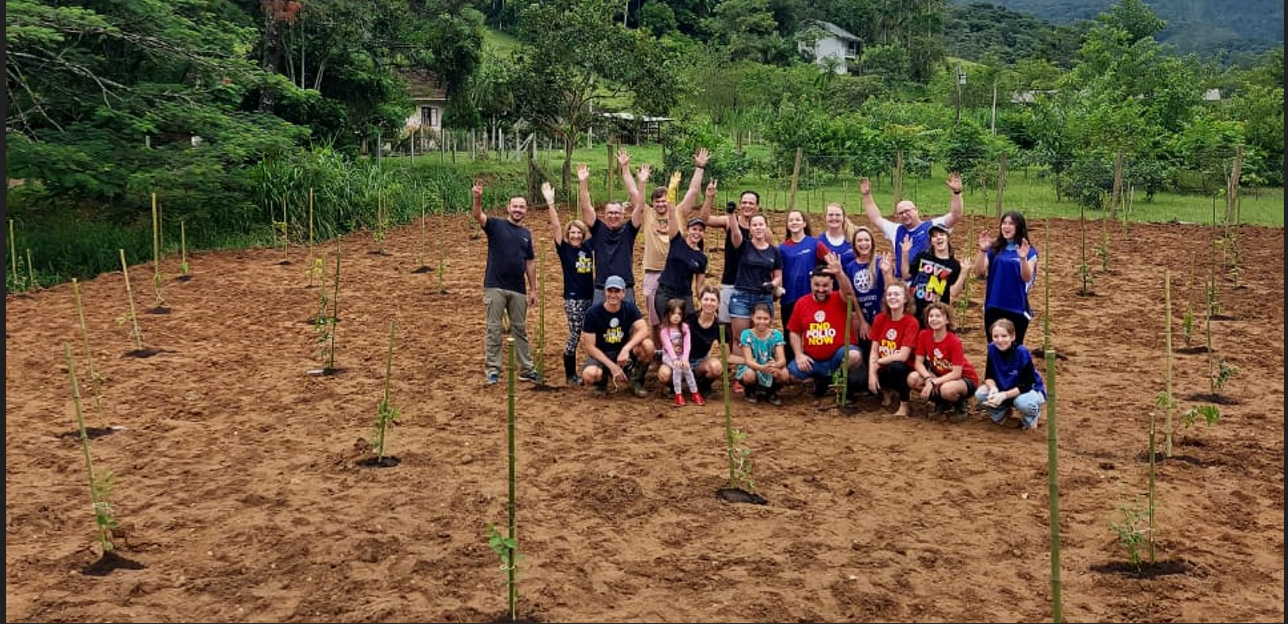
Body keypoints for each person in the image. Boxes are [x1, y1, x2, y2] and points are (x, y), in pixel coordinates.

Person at [471, 179, 540, 385]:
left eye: (522, 207)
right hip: (495, 286)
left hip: (518, 289)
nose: (518, 210)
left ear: (526, 210)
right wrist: (477, 198)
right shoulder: (495, 225)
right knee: (494, 328)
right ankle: (493, 370)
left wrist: (533, 289)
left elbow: (530, 263)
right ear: (508, 208)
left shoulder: (526, 234)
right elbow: (477, 215)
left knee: (520, 328)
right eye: (515, 206)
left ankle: (526, 369)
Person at [637, 148, 708, 335]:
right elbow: (635, 195)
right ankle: (660, 355)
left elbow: (693, 191)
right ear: (653, 203)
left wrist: (700, 167)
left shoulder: (677, 214)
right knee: (657, 321)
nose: (662, 204)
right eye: (657, 201)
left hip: (680, 275)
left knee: (685, 322)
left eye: (665, 200)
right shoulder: (648, 214)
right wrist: (637, 178)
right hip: (655, 273)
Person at [786, 255, 865, 400]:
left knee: (853, 356)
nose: (821, 289)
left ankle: (839, 379)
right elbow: (794, 332)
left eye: (825, 286)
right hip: (814, 360)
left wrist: (839, 273)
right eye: (817, 285)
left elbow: (849, 293)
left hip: (838, 357)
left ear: (832, 285)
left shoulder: (839, 298)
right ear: (811, 284)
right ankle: (821, 380)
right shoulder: (801, 303)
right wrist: (798, 354)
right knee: (790, 375)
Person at [859, 172, 964, 280]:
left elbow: (956, 215)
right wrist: (867, 196)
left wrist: (957, 192)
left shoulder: (932, 226)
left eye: (907, 211)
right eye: (900, 213)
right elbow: (875, 218)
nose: (904, 215)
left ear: (916, 210)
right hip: (904, 284)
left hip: (927, 283)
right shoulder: (896, 230)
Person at [540, 181, 594, 386]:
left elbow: (592, 223)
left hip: (590, 296)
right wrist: (551, 203)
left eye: (578, 232)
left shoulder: (588, 248)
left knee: (591, 331)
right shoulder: (564, 249)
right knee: (575, 333)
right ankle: (570, 374)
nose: (575, 235)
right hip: (573, 299)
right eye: (572, 232)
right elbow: (555, 226)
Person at [583, 150, 646, 306]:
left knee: (628, 326)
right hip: (601, 286)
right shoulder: (598, 229)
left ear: (623, 214)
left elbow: (640, 207)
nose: (613, 216)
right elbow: (586, 206)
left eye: (617, 213)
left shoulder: (629, 230)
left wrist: (641, 183)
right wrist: (583, 182)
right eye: (610, 213)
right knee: (599, 326)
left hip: (625, 286)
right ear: (604, 215)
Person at [580, 275, 655, 398]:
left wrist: (626, 349)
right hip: (602, 354)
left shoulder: (629, 307)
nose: (613, 295)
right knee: (590, 375)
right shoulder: (592, 313)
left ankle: (636, 379)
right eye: (610, 290)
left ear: (623, 293)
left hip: (622, 354)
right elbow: (590, 347)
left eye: (617, 291)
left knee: (648, 345)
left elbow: (644, 329)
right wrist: (612, 366)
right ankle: (602, 381)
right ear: (605, 292)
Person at [653, 178, 714, 323]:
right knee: (667, 327)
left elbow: (699, 284)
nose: (696, 233)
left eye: (700, 230)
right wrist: (671, 194)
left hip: (685, 295)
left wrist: (703, 301)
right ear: (687, 230)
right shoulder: (677, 241)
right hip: (665, 293)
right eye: (694, 229)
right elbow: (672, 215)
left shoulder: (701, 258)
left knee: (687, 327)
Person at [700, 189, 763, 326]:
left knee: (752, 324)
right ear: (739, 205)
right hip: (730, 280)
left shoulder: (763, 230)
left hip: (752, 284)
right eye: (744, 202)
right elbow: (704, 220)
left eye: (751, 203)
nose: (747, 206)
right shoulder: (729, 221)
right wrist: (709, 197)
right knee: (726, 324)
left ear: (757, 206)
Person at [974, 211, 1038, 346]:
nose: (1006, 227)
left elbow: (1026, 277)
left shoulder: (1029, 251)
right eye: (1004, 223)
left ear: (1019, 227)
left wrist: (1022, 258)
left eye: (1010, 224)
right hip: (994, 306)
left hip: (1017, 308)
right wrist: (982, 250)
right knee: (993, 348)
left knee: (1015, 350)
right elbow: (979, 272)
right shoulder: (994, 249)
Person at [907, 302, 980, 422]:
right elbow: (918, 363)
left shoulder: (953, 341)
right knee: (913, 378)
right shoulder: (924, 335)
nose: (934, 319)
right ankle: (941, 404)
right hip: (940, 375)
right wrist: (928, 378)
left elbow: (956, 373)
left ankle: (960, 405)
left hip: (964, 378)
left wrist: (934, 382)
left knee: (947, 390)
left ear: (947, 320)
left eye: (938, 316)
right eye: (931, 316)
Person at [657, 285, 731, 396]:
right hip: (678, 358)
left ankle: (703, 385)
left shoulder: (719, 326)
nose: (709, 303)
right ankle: (673, 386)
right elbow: (668, 330)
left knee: (716, 367)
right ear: (700, 301)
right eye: (706, 299)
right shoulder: (689, 318)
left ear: (718, 303)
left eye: (713, 300)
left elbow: (725, 350)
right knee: (664, 374)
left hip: (699, 362)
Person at [975, 318, 1047, 431]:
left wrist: (1004, 395)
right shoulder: (992, 349)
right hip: (1004, 387)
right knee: (981, 394)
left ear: (1012, 336)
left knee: (1023, 403)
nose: (1000, 340)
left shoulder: (1021, 352)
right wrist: (993, 388)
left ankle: (1031, 417)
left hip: (1026, 390)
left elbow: (1027, 384)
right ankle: (1002, 415)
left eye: (1004, 336)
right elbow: (989, 376)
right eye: (996, 336)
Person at [728, 213, 783, 354]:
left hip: (764, 297)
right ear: (750, 229)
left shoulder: (774, 251)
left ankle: (761, 365)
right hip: (742, 297)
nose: (758, 228)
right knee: (741, 338)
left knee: (763, 335)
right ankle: (743, 371)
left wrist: (772, 284)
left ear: (766, 227)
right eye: (754, 225)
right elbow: (735, 233)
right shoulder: (743, 246)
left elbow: (778, 276)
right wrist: (731, 215)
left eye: (761, 224)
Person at [840, 226, 895, 359]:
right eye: (859, 241)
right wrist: (861, 320)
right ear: (854, 244)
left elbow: (890, 291)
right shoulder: (850, 267)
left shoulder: (881, 263)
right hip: (864, 316)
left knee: (884, 350)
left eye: (866, 240)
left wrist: (886, 273)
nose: (863, 244)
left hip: (882, 315)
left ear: (872, 243)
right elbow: (852, 296)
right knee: (866, 349)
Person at [867, 282, 920, 416]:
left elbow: (903, 356)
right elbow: (874, 349)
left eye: (897, 294)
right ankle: (886, 392)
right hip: (883, 364)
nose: (892, 297)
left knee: (897, 367)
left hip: (903, 367)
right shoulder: (880, 318)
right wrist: (871, 374)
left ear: (905, 299)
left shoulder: (911, 322)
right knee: (859, 376)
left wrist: (878, 362)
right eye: (889, 294)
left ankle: (904, 404)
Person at [902, 223, 968, 324]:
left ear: (947, 237)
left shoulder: (954, 265)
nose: (938, 238)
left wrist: (963, 273)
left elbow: (954, 292)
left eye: (941, 234)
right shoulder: (922, 256)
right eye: (934, 236)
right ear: (931, 241)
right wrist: (905, 253)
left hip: (935, 315)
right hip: (914, 310)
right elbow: (906, 274)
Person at [778, 209, 818, 364]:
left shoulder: (814, 244)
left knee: (811, 332)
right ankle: (790, 365)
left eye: (797, 219)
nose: (794, 222)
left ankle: (812, 362)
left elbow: (830, 263)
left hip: (809, 297)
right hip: (789, 297)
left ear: (804, 223)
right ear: (788, 225)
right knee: (790, 331)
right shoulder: (782, 249)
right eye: (791, 220)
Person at [737, 303, 789, 405]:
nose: (762, 321)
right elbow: (748, 361)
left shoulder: (776, 334)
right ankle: (750, 391)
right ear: (752, 317)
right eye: (758, 318)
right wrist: (761, 367)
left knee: (784, 374)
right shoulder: (746, 334)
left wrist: (775, 365)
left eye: (765, 318)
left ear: (771, 319)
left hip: (769, 366)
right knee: (749, 374)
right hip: (754, 367)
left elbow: (782, 360)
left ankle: (771, 392)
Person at [659, 298, 705, 407]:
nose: (676, 316)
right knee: (677, 368)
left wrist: (685, 359)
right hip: (668, 356)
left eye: (679, 314)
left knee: (687, 368)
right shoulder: (664, 330)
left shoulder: (685, 328)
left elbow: (687, 344)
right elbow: (668, 347)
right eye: (673, 313)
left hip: (681, 355)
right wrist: (675, 359)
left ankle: (694, 392)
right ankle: (678, 393)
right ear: (667, 314)